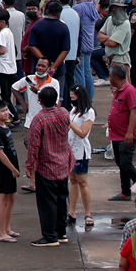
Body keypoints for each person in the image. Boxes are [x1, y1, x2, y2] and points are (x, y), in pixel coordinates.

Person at [26, 85, 74, 246]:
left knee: (47, 203)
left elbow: (33, 144)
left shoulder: (39, 119)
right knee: (61, 200)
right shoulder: (64, 113)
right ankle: (61, 232)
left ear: (40, 101)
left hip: (46, 166)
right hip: (63, 162)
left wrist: (30, 164)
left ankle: (50, 235)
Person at [0, 101, 21, 242]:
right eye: (3, 111)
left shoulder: (4, 127)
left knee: (13, 197)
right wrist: (13, 169)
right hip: (3, 171)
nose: (6, 113)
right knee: (3, 198)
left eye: (7, 110)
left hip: (10, 170)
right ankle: (1, 232)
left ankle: (7, 228)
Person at [109, 64, 136, 201]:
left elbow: (134, 111)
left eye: (110, 76)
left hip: (125, 135)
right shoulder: (118, 90)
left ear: (115, 77)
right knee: (121, 163)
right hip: (116, 134)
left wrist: (129, 132)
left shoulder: (130, 91)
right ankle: (125, 191)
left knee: (127, 163)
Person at [67, 83, 96, 232]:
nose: (71, 100)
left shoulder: (88, 113)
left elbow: (83, 132)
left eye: (73, 97)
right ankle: (71, 211)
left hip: (81, 152)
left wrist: (69, 122)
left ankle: (88, 213)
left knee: (82, 182)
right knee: (72, 181)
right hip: (70, 151)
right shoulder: (73, 110)